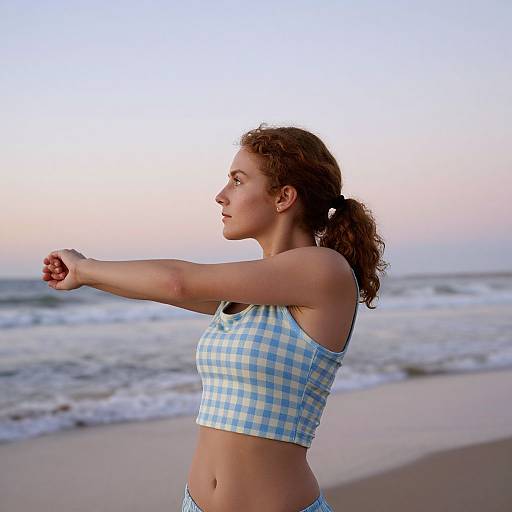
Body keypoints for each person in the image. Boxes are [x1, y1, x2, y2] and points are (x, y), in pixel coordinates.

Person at [42, 123, 388, 511]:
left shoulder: (323, 271)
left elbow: (179, 282)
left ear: (284, 197)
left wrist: (87, 267)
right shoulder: (253, 290)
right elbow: (160, 289)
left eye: (238, 181)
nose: (220, 196)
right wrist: (85, 279)